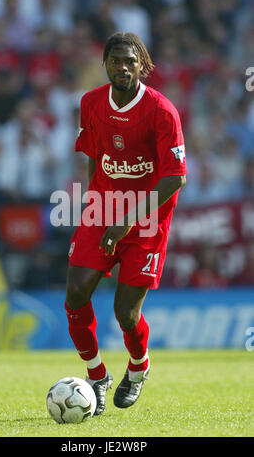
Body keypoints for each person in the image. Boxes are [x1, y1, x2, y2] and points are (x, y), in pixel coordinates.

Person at [65, 32, 187, 415]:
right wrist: (93, 201)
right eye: (115, 60)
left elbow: (176, 177)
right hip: (103, 211)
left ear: (142, 65)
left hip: (147, 219)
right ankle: (97, 376)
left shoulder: (162, 110)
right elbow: (93, 154)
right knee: (75, 294)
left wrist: (126, 221)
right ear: (105, 63)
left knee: (125, 312)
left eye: (129, 61)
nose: (122, 67)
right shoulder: (90, 103)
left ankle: (138, 367)